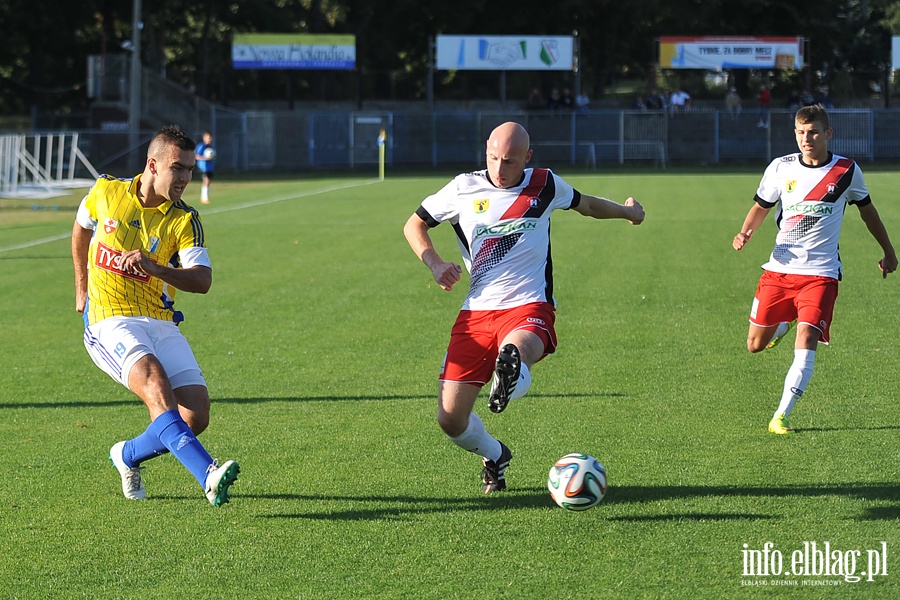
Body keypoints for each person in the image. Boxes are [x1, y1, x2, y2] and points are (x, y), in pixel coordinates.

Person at [403, 122, 645, 493]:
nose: (500, 169)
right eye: (494, 158)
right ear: (486, 150)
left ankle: (509, 375)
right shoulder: (463, 188)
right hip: (477, 312)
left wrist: (629, 213)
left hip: (529, 303)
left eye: (510, 162)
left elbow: (589, 206)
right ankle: (496, 454)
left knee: (516, 349)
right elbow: (414, 224)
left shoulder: (545, 184)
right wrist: (435, 263)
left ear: (527, 158)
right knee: (450, 419)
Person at [71, 124, 240, 505]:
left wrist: (158, 268)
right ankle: (208, 474)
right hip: (108, 318)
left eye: (189, 171)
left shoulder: (184, 219)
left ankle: (126, 455)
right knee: (156, 387)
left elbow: (203, 280)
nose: (184, 178)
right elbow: (81, 229)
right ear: (153, 164)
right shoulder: (107, 191)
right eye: (177, 168)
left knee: (195, 416)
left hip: (160, 320)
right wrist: (82, 285)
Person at [732, 104, 897, 434]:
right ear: (795, 133)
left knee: (808, 335)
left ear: (828, 134)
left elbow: (869, 213)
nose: (807, 139)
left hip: (821, 275)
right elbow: (761, 207)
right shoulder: (780, 168)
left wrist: (889, 252)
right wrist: (745, 231)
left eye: (814, 132)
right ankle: (785, 322)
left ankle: (781, 415)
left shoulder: (846, 171)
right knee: (754, 345)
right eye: (801, 133)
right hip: (779, 271)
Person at [194, 131, 216, 204]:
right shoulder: (201, 146)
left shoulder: (210, 146)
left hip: (210, 167)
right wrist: (205, 158)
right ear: (204, 138)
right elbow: (196, 156)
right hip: (203, 167)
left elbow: (212, 155)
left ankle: (206, 197)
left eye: (211, 138)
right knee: (206, 181)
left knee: (208, 181)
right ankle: (204, 198)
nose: (210, 139)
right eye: (208, 138)